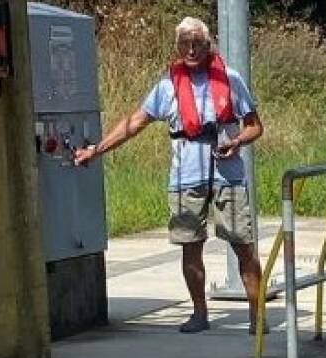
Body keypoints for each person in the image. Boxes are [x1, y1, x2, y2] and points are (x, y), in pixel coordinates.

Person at [74, 17, 264, 334]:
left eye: (197, 43)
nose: (190, 49)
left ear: (208, 45)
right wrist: (97, 150)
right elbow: (134, 123)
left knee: (243, 246)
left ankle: (257, 318)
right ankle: (200, 313)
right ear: (177, 47)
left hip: (228, 177)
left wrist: (236, 142)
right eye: (184, 43)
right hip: (185, 179)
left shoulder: (229, 78)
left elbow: (255, 125)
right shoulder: (167, 86)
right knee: (190, 246)